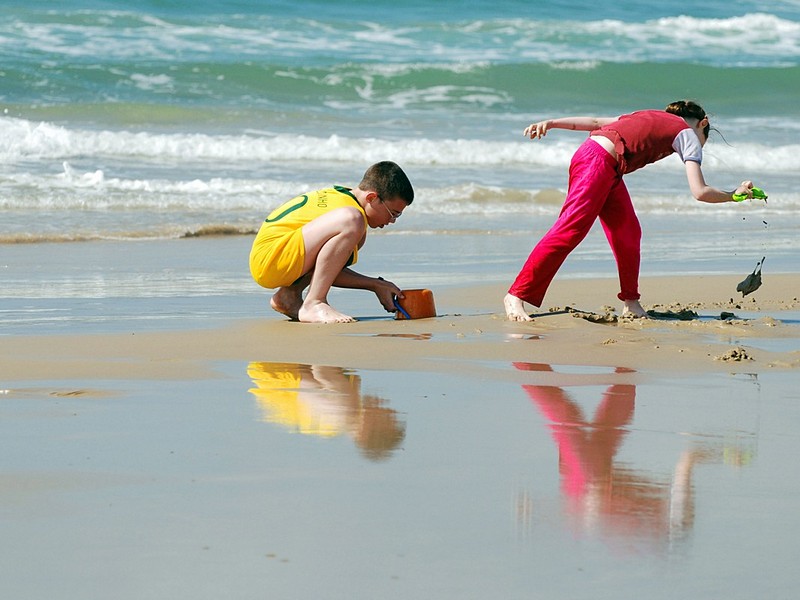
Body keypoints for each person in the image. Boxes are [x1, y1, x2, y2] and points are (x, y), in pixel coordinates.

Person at [504, 100, 760, 321]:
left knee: (627, 231)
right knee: (570, 230)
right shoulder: (689, 135)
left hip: (604, 165)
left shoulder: (645, 115)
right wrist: (733, 195)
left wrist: (551, 122)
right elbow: (700, 192)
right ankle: (517, 295)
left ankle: (631, 303)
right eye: (705, 140)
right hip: (597, 164)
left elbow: (595, 121)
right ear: (702, 123)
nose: (700, 146)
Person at [249, 161, 414, 323]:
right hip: (271, 259)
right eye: (393, 213)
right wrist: (374, 284)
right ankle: (314, 302)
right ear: (372, 197)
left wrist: (377, 285)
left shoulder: (344, 197)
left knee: (353, 224)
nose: (392, 221)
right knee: (352, 220)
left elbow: (326, 267)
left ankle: (288, 296)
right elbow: (328, 270)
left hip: (273, 257)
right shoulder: (352, 216)